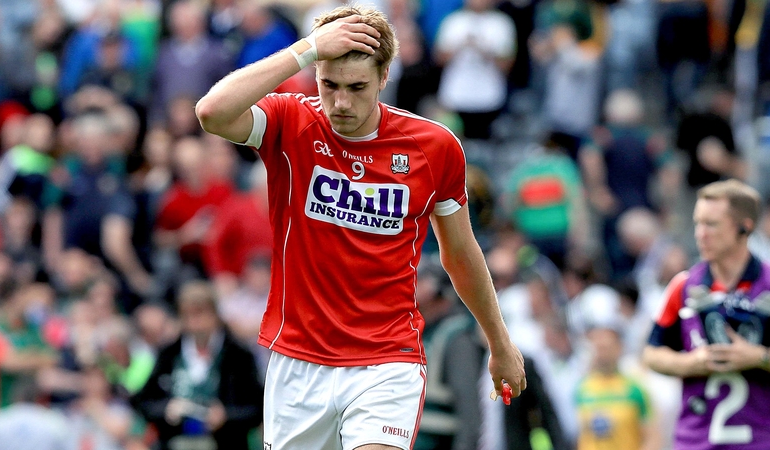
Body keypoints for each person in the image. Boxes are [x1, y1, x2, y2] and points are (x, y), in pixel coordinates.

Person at [195, 5, 527, 450]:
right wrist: (306, 49)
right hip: (298, 360)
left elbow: (461, 254)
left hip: (386, 361)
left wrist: (500, 343)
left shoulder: (434, 147)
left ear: (385, 76)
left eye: (357, 87)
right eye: (329, 84)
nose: (341, 103)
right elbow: (212, 112)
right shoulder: (292, 122)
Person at [642, 179, 770, 449]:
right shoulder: (682, 286)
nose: (700, 233)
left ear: (744, 227)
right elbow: (651, 354)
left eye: (711, 224)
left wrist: (760, 358)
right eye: (698, 223)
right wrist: (692, 363)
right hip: (696, 442)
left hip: (763, 441)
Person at [132, 281, 263, 450]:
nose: (194, 322)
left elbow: (257, 407)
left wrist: (226, 416)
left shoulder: (238, 355)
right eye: (187, 315)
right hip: (176, 442)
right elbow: (143, 401)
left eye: (200, 314)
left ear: (215, 315)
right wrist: (166, 409)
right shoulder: (170, 354)